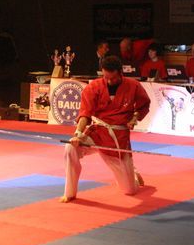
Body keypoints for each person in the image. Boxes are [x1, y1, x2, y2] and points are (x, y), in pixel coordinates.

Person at [60, 55, 150, 203]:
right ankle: (69, 192)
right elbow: (85, 113)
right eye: (105, 77)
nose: (109, 81)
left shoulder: (133, 86)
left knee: (130, 190)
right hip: (97, 133)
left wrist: (134, 118)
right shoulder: (94, 87)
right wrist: (78, 134)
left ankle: (133, 174)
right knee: (70, 147)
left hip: (118, 140)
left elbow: (143, 105)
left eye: (112, 78)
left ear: (120, 73)